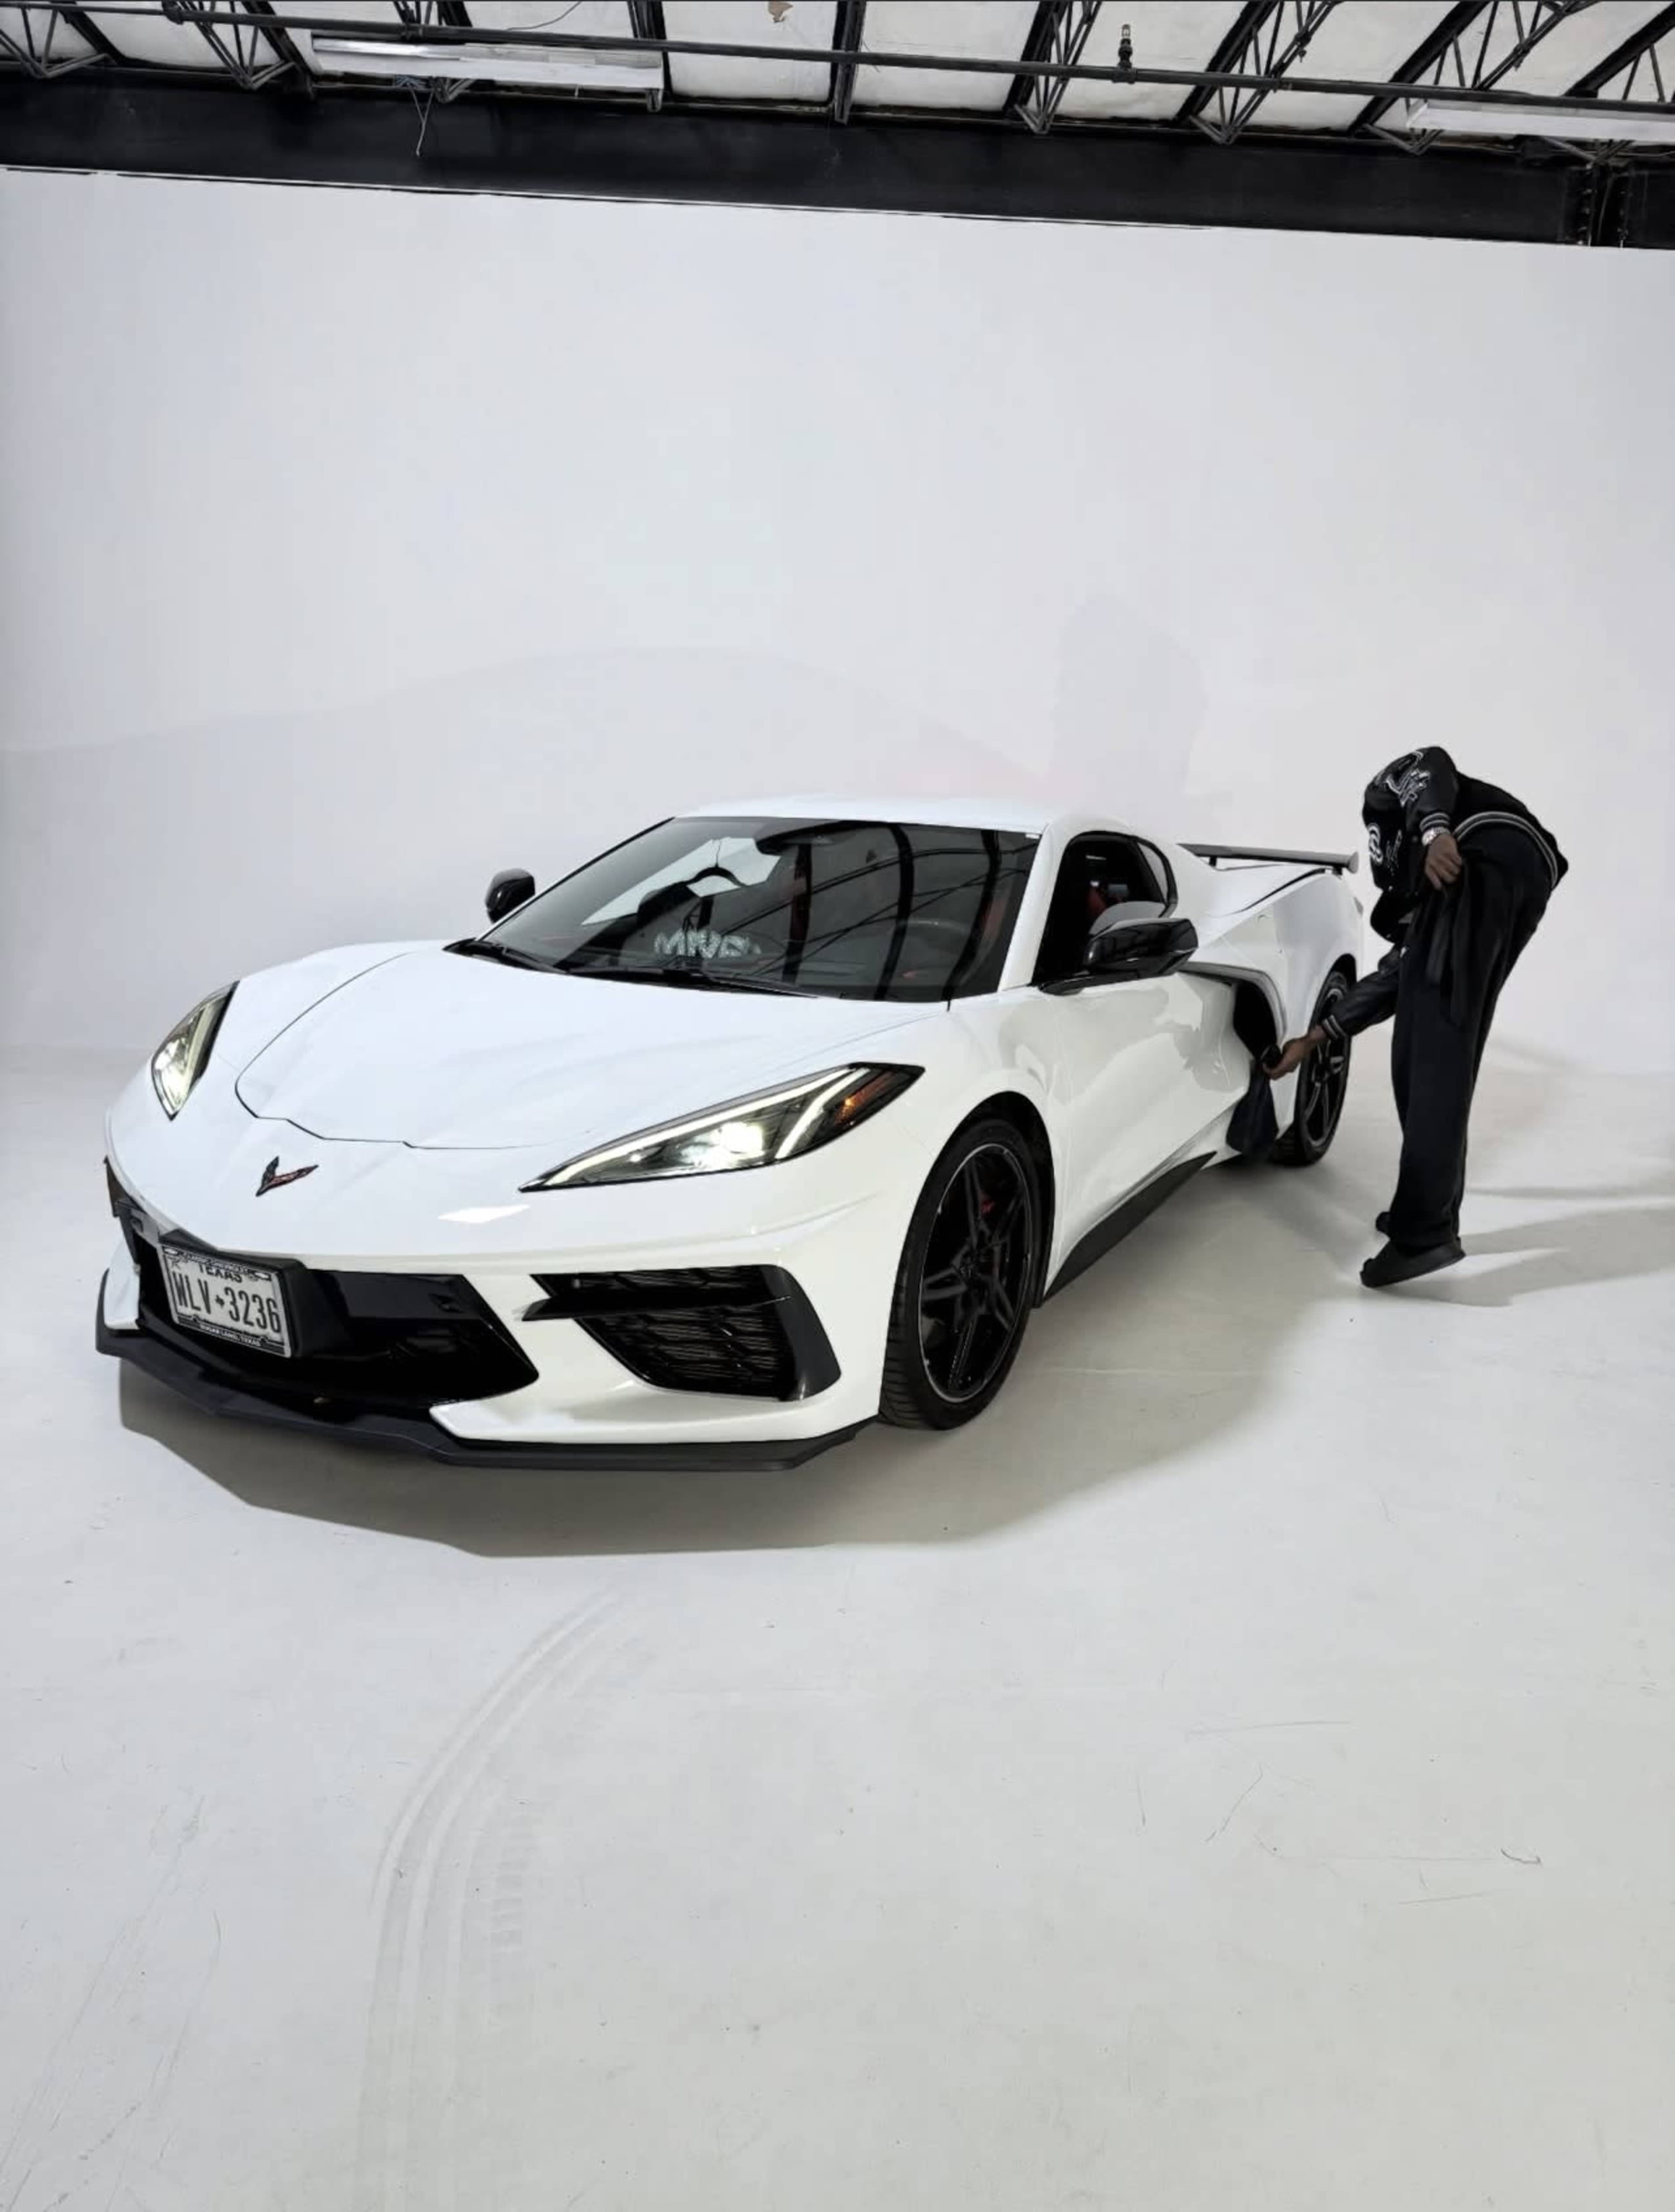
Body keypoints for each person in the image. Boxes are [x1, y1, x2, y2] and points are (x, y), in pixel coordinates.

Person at [1268, 747, 1566, 1289]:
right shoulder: (1424, 904)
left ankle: (1425, 1233)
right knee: (1442, 1045)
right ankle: (1428, 1214)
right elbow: (1392, 981)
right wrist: (1314, 1039)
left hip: (1484, 850)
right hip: (1522, 879)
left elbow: (1431, 761)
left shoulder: (1384, 811)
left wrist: (1434, 832)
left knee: (1431, 1056)